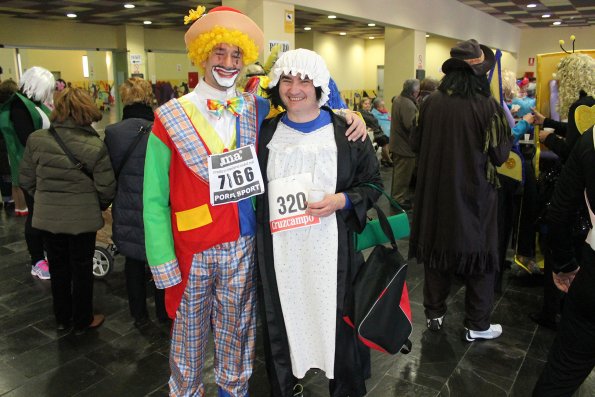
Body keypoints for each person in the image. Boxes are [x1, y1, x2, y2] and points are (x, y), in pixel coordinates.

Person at [142, 6, 366, 396]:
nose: (228, 63)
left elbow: (308, 106)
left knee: (238, 342)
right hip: (191, 250)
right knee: (188, 346)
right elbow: (154, 198)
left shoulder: (255, 109)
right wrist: (163, 262)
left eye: (236, 55)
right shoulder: (168, 117)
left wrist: (348, 113)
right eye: (219, 53)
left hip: (245, 244)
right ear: (203, 55)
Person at [256, 48, 382, 397]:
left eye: (304, 80)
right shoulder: (264, 134)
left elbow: (373, 184)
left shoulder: (347, 133)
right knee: (285, 327)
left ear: (320, 85)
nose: (294, 88)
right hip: (281, 258)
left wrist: (342, 200)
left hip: (332, 257)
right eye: (287, 79)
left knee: (337, 331)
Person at [409, 39, 513, 341]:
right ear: (479, 74)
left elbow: (415, 144)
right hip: (474, 195)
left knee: (437, 253)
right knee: (480, 258)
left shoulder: (429, 103)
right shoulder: (487, 106)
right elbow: (500, 155)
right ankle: (477, 324)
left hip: (434, 193)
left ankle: (435, 313)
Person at [19, 87, 115, 334]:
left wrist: (44, 201)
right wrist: (97, 206)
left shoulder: (37, 139)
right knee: (82, 268)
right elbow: (106, 188)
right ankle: (83, 319)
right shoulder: (95, 145)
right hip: (82, 221)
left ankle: (62, 318)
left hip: (48, 219)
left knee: (58, 267)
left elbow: (26, 180)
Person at [532, 122, 595, 396]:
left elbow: (559, 212)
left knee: (562, 371)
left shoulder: (591, 137)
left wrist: (565, 264)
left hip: (592, 276)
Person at [104, 77, 167, 328]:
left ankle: (138, 314)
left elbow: (109, 173)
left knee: (132, 260)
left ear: (123, 98)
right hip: (158, 205)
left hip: (127, 204)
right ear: (149, 97)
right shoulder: (162, 128)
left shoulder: (113, 133)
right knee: (160, 258)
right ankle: (164, 312)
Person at [0, 66, 54, 279]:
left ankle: (46, 254)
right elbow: (28, 140)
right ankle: (37, 260)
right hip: (31, 169)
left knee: (43, 214)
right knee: (35, 215)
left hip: (42, 166)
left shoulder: (33, 104)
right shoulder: (19, 107)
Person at [390, 79, 420, 209]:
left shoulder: (398, 99)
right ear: (414, 92)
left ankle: (397, 197)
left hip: (398, 144)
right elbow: (411, 126)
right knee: (402, 175)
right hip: (404, 147)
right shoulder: (408, 104)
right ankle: (398, 199)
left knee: (399, 174)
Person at [371, 97, 392, 167]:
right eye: (382, 106)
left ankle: (384, 159)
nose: (384, 107)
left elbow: (390, 118)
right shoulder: (373, 114)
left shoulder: (385, 112)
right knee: (385, 140)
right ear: (377, 107)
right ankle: (389, 160)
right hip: (379, 133)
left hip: (389, 133)